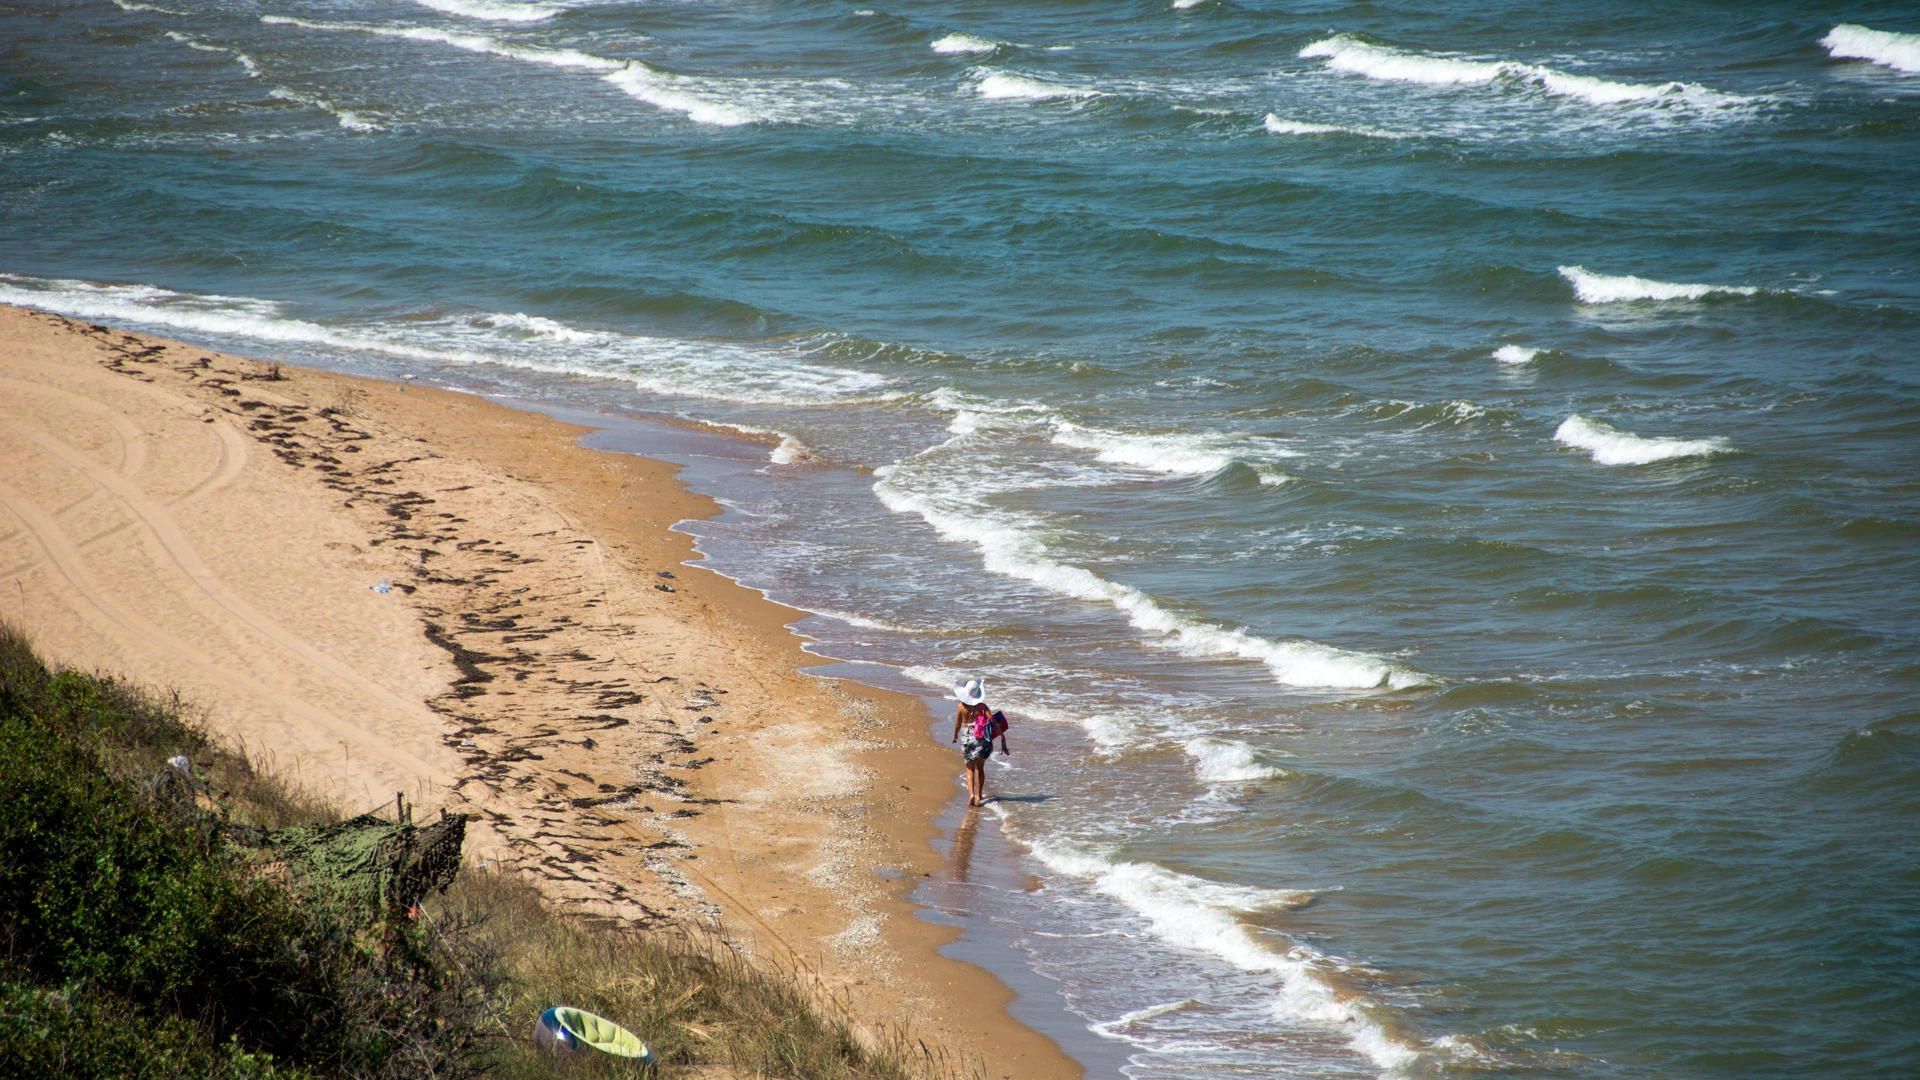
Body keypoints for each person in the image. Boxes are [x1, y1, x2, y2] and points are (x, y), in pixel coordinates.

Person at [950, 677, 1007, 807]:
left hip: (967, 737)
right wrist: (1001, 735)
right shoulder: (982, 706)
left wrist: (955, 736)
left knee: (969, 769)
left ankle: (971, 795)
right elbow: (992, 719)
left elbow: (958, 723)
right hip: (980, 738)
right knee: (980, 768)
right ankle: (979, 795)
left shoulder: (960, 706)